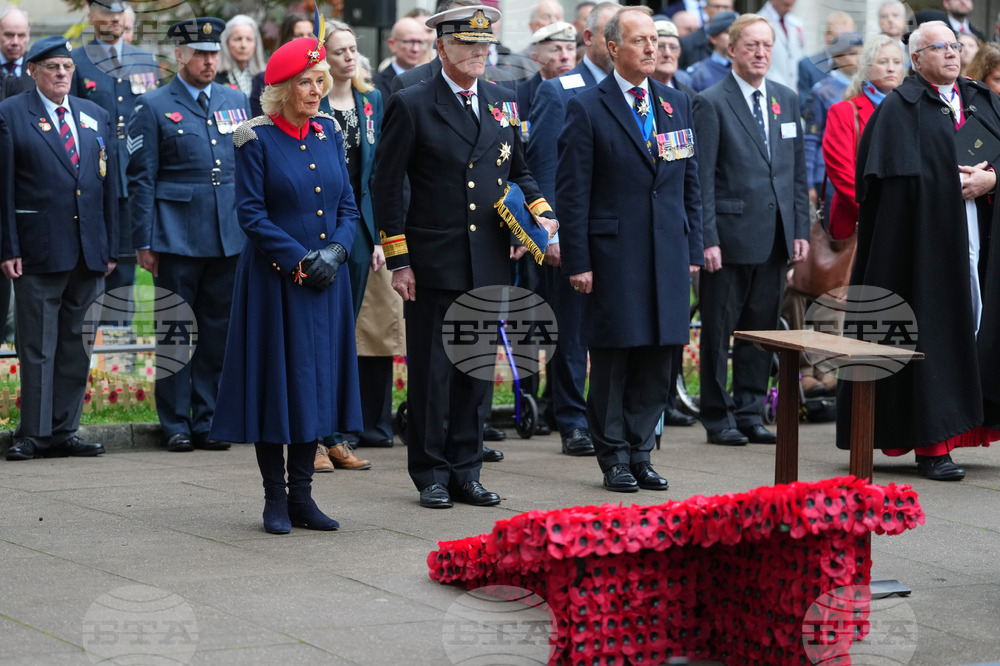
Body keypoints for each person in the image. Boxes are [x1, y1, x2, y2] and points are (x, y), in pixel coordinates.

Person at [373, 4, 554, 509]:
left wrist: (537, 216)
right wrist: (399, 259)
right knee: (433, 372)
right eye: (468, 45)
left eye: (484, 45)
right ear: (442, 47)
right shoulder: (412, 103)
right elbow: (387, 187)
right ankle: (430, 471)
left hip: (489, 257)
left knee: (475, 370)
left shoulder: (502, 98)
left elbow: (520, 169)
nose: (480, 54)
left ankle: (466, 468)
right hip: (434, 257)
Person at [211, 35, 361, 534]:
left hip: (328, 280)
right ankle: (274, 499)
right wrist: (301, 262)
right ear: (280, 90)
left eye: (320, 81)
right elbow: (251, 215)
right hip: (278, 283)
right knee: (277, 387)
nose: (316, 90)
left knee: (315, 388)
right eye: (305, 82)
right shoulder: (254, 137)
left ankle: (303, 496)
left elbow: (348, 205)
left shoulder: (329, 132)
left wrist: (337, 251)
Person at [837, 20, 1000, 481]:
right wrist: (948, 183)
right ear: (916, 59)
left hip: (976, 236)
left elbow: (992, 157)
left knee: (976, 323)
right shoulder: (899, 109)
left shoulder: (976, 100)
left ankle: (967, 428)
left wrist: (991, 180)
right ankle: (933, 444)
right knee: (935, 331)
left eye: (954, 45)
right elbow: (886, 185)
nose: (950, 53)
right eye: (938, 47)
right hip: (924, 247)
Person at [558, 6, 702, 492]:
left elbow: (690, 185)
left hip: (667, 252)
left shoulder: (674, 103)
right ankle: (613, 455)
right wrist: (578, 260)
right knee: (617, 357)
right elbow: (573, 193)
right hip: (614, 255)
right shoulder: (587, 106)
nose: (652, 48)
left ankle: (641, 452)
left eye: (657, 41)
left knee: (659, 355)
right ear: (613, 48)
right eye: (640, 41)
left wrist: (694, 249)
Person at [126, 17, 249, 453]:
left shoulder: (237, 100)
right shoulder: (154, 105)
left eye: (212, 53)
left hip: (227, 233)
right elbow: (142, 179)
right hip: (176, 234)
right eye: (199, 53)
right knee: (176, 330)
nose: (208, 61)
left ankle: (208, 418)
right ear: (179, 56)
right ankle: (175, 422)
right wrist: (144, 240)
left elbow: (249, 168)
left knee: (219, 332)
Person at [693, 13, 809, 447]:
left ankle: (749, 410)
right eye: (751, 46)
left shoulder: (786, 98)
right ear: (731, 50)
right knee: (718, 331)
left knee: (762, 332)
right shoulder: (711, 100)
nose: (760, 53)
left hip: (776, 235)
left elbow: (795, 171)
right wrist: (707, 238)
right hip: (728, 236)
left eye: (767, 46)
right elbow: (701, 178)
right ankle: (717, 415)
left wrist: (798, 227)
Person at [0, 36, 116, 461]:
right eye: (52, 67)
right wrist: (8, 247)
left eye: (67, 66)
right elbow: (5, 189)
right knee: (36, 346)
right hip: (36, 251)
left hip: (88, 251)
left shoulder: (94, 116)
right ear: (33, 72)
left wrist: (110, 246)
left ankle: (65, 430)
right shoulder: (11, 115)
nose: (63, 73)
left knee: (76, 342)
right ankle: (33, 433)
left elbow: (108, 187)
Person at [526, 1, 619, 457]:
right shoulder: (559, 90)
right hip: (575, 233)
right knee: (571, 332)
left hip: (621, 235)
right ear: (590, 39)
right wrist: (552, 232)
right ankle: (572, 420)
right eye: (611, 33)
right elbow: (544, 167)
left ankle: (612, 416)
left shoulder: (639, 90)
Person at [312, 18, 383, 472]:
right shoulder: (308, 100)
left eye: (353, 49)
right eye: (339, 51)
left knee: (344, 334)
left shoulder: (372, 102)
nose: (349, 57)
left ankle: (337, 435)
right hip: (317, 228)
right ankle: (312, 439)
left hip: (358, 229)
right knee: (317, 333)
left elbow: (380, 175)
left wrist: (382, 238)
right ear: (322, 57)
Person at [71, 0, 161, 322]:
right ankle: (92, 341)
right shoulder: (76, 61)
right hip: (94, 176)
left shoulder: (145, 59)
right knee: (94, 261)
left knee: (126, 259)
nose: (114, 20)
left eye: (119, 13)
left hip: (135, 173)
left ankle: (121, 342)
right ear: (93, 16)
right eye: (107, 13)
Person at [822, 34, 903, 242]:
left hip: (901, 224)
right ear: (866, 68)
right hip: (857, 224)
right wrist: (876, 213)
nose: (891, 68)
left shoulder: (911, 112)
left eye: (897, 62)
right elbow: (841, 172)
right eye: (883, 62)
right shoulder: (843, 111)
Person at [249, 14, 313, 117]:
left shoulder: (323, 77)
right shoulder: (264, 80)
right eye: (299, 35)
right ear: (286, 39)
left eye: (310, 35)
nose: (305, 40)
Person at [517, 21, 576, 123]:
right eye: (555, 50)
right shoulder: (519, 96)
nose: (565, 56)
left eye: (570, 48)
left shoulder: (588, 90)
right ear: (536, 58)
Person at [797, 11, 856, 107]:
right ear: (827, 38)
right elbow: (805, 107)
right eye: (840, 39)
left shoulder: (859, 67)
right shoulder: (808, 66)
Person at [373, 17, 429, 99]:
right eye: (409, 42)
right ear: (392, 44)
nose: (415, 49)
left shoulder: (430, 79)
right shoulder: (375, 84)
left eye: (420, 42)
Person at [686, 10, 737, 92]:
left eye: (738, 33)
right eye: (728, 32)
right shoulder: (698, 73)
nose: (734, 37)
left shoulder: (748, 70)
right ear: (713, 38)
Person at [215, 15, 266, 98]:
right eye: (238, 39)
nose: (243, 45)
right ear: (227, 43)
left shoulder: (264, 79)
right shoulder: (215, 79)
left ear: (256, 44)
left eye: (249, 39)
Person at [758, 0, 803, 91]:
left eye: (792, 5)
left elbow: (800, 56)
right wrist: (785, 90)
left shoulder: (796, 23)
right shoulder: (759, 22)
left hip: (796, 91)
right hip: (772, 88)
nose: (789, 9)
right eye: (786, 5)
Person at [677, 0, 733, 70]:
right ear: (706, 9)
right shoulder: (686, 43)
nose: (720, 11)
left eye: (725, 7)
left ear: (732, 10)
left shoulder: (737, 43)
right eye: (716, 7)